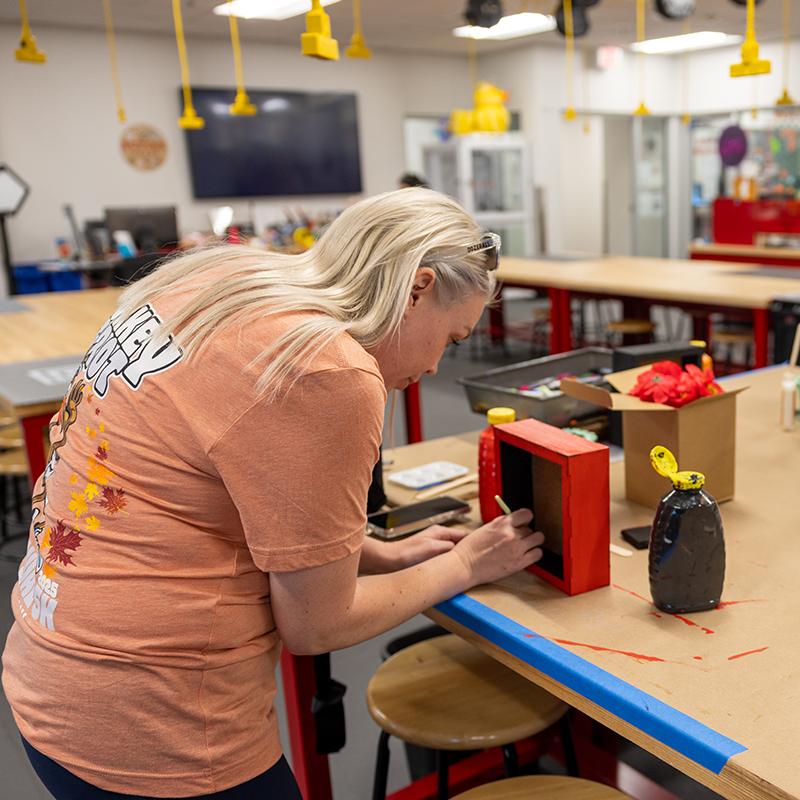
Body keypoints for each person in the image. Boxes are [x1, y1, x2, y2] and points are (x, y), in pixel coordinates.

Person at [2, 188, 543, 799]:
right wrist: (466, 563)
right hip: (154, 721)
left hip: (53, 675)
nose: (438, 368)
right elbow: (318, 623)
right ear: (415, 288)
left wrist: (372, 552)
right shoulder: (327, 368)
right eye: (450, 337)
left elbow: (205, 485)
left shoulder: (217, 283)